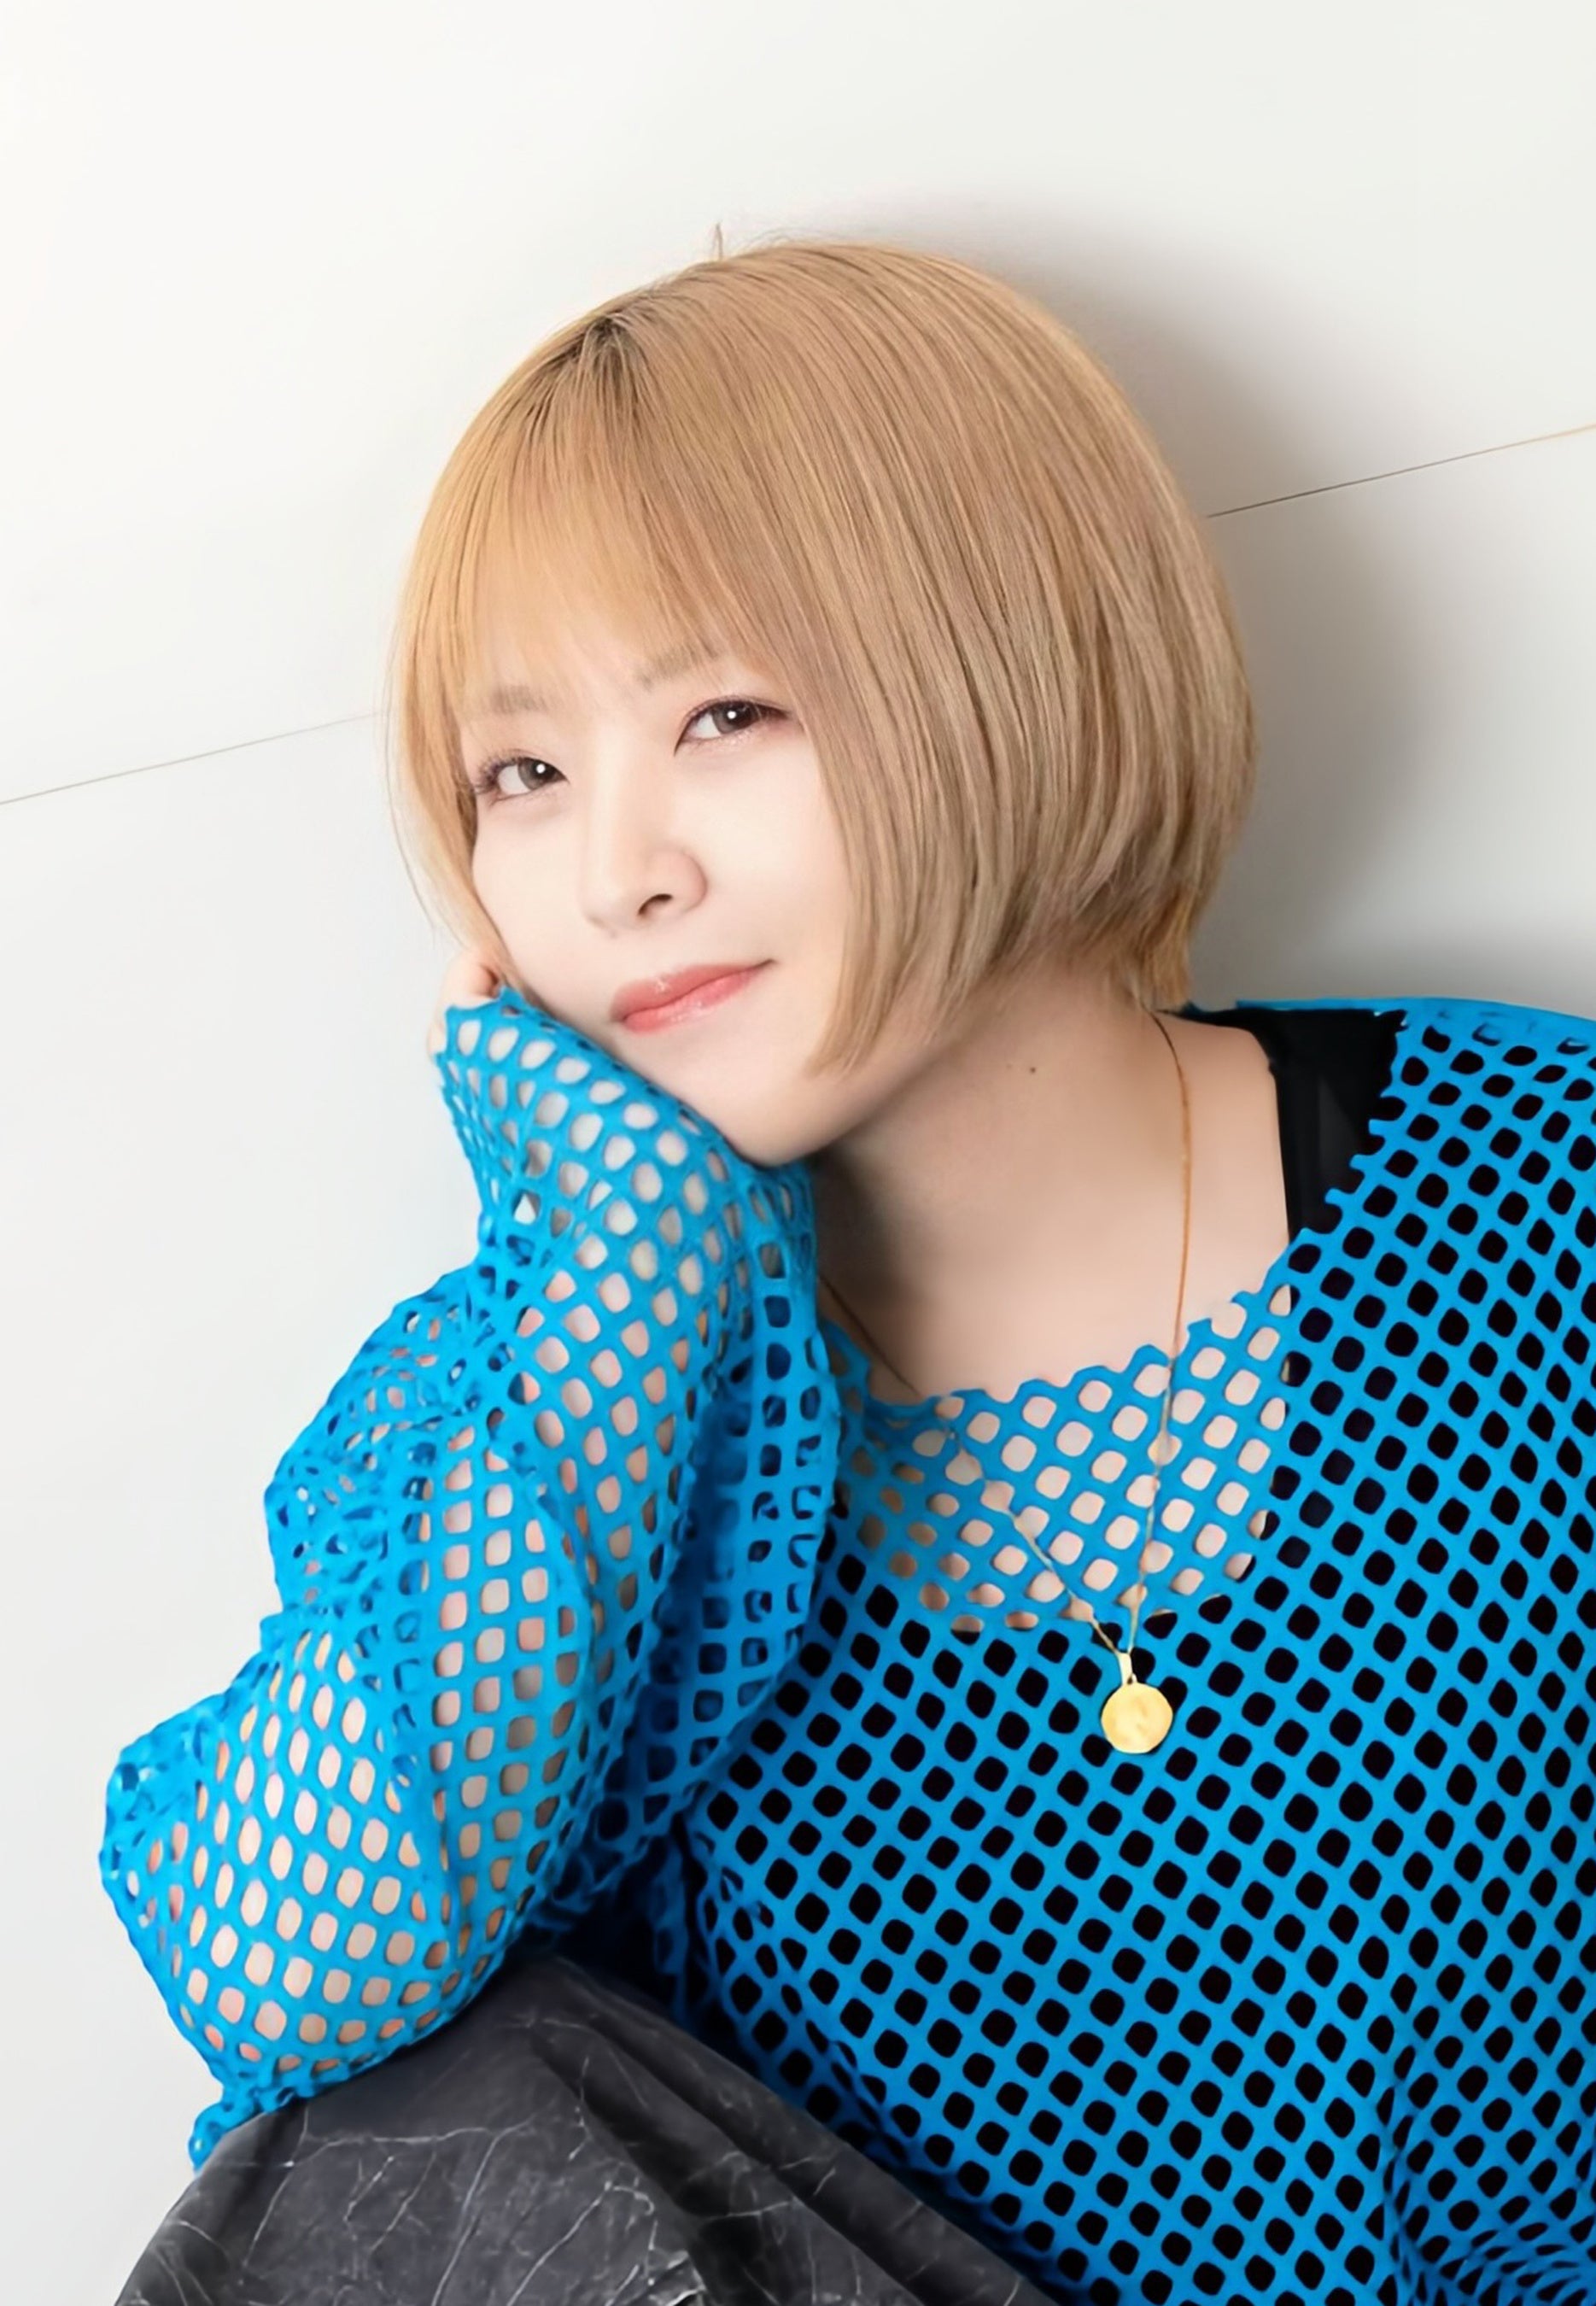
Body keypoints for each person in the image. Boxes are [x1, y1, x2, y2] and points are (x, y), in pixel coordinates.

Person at [102, 232, 1596, 2306]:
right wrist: (621, 1279)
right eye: (522, 774)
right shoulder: (525, 1407)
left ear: (1014, 664)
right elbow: (293, 2003)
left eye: (723, 713)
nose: (617, 872)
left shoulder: (1527, 1202)